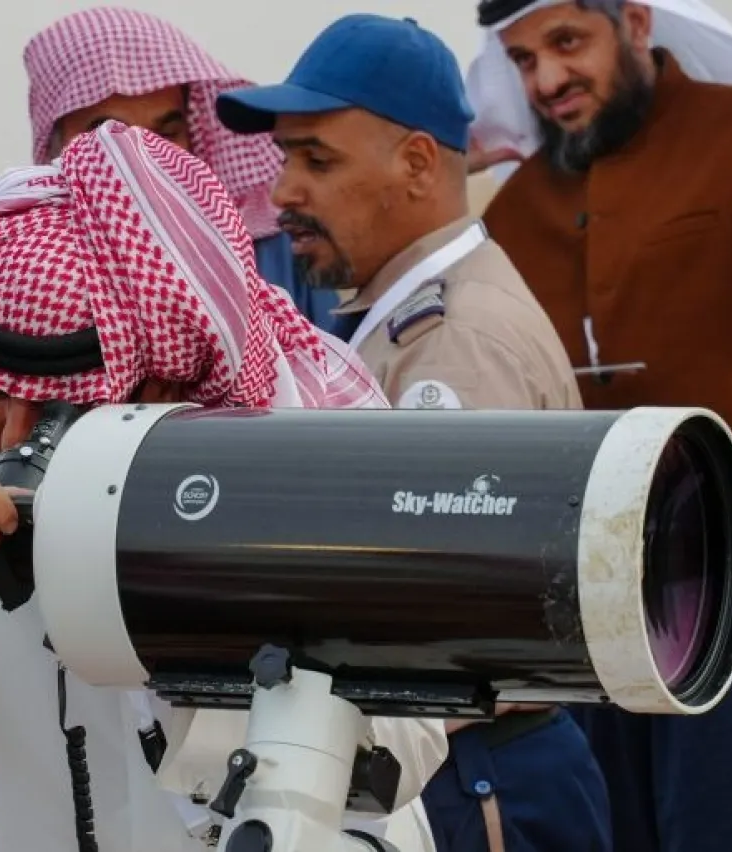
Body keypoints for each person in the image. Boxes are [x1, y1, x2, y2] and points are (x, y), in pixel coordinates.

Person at [0, 121, 445, 852]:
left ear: (162, 384)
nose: (11, 436)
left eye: (52, 408)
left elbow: (409, 744)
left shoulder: (296, 444)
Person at [0, 11, 345, 847]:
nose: (139, 152)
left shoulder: (251, 277)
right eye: (104, 131)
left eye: (168, 126)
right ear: (54, 144)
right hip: (28, 701)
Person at [469, 1, 732, 849]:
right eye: (522, 60)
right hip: (593, 615)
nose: (547, 79)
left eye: (567, 42)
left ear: (636, 24)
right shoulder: (517, 206)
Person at [217, 14, 608, 852]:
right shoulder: (404, 319)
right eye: (286, 158)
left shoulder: (455, 341)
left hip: (474, 778)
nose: (284, 192)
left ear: (419, 163)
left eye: (317, 160)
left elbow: (441, 620)